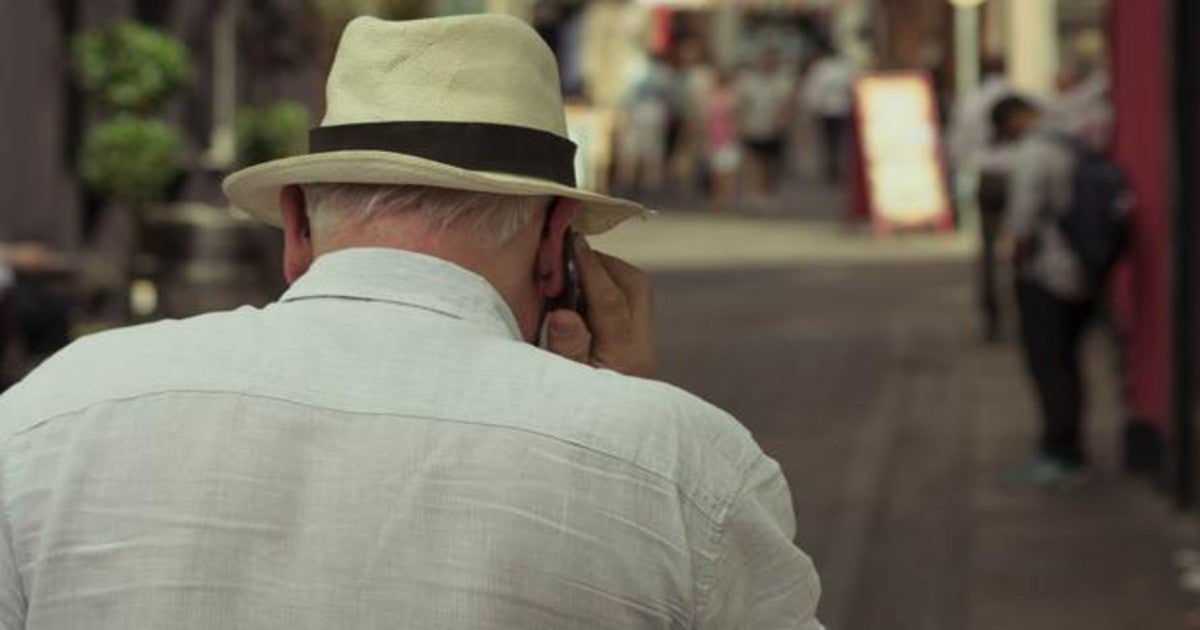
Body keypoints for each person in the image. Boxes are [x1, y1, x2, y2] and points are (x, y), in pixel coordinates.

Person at [0, 15, 823, 629]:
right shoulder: (688, 470)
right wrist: (627, 411)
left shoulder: (51, 412)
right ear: (554, 247)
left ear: (295, 225)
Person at [996, 95, 1097, 486]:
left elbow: (1022, 220)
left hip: (1047, 273)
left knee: (1048, 364)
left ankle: (1060, 452)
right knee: (1068, 363)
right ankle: (1070, 447)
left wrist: (1013, 258)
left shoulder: (1033, 153)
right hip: (1083, 269)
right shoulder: (1070, 141)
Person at [947, 57, 1017, 342]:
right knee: (1020, 245)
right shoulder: (1017, 96)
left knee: (988, 250)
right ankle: (1022, 310)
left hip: (988, 177)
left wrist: (965, 167)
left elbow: (958, 143)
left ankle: (992, 315)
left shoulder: (971, 101)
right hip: (1015, 174)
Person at [738, 47, 796, 203]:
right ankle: (755, 190)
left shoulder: (783, 81)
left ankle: (766, 187)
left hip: (773, 128)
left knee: (770, 161)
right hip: (754, 125)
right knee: (755, 159)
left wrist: (783, 120)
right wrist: (741, 123)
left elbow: (789, 103)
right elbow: (743, 103)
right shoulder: (749, 80)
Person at [802, 45, 857, 184]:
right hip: (827, 109)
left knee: (840, 140)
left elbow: (853, 85)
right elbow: (815, 89)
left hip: (842, 108)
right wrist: (814, 107)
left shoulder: (846, 66)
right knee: (830, 140)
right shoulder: (821, 67)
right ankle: (831, 168)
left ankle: (839, 167)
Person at [705, 69, 743, 213]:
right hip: (715, 139)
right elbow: (707, 121)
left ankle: (727, 203)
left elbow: (737, 119)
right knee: (717, 174)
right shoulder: (711, 98)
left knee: (729, 173)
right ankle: (718, 203)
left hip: (729, 139)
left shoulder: (732, 97)